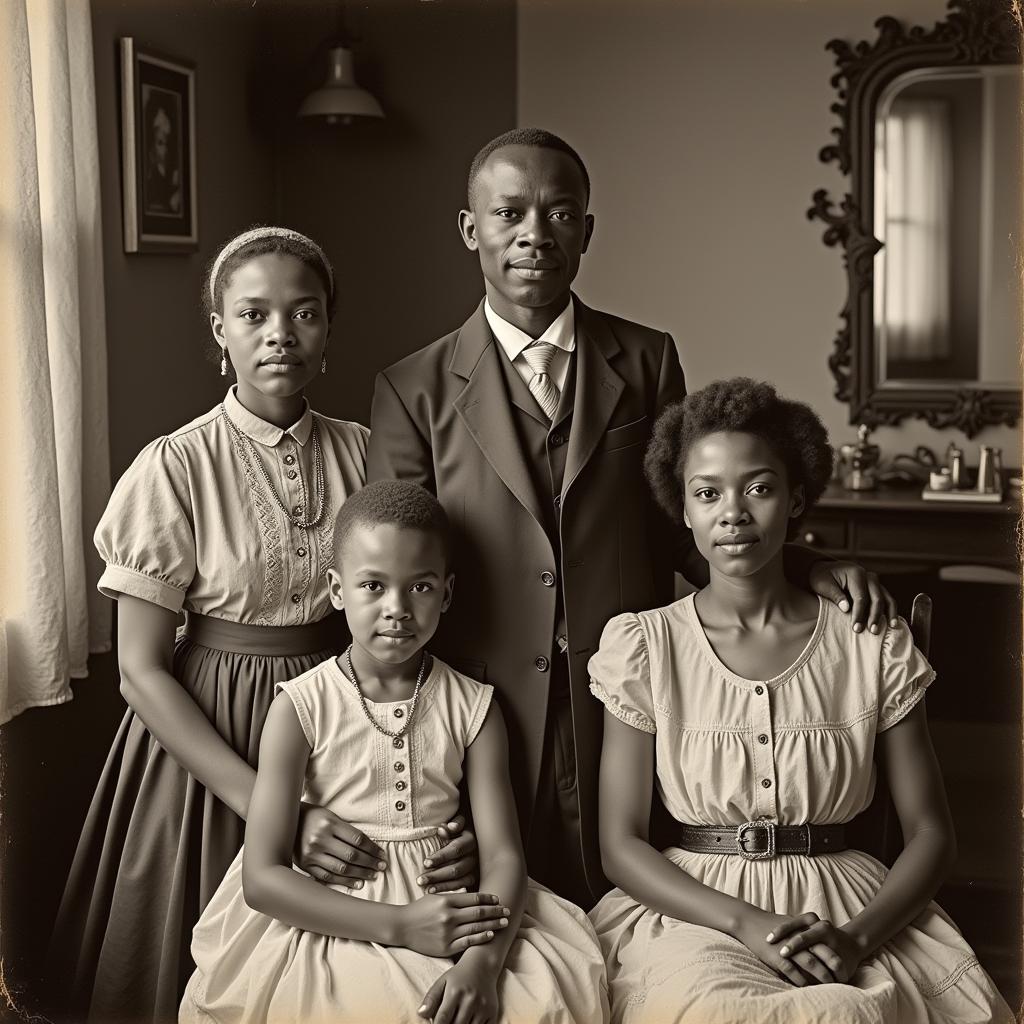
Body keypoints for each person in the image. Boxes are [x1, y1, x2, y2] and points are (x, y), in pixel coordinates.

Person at [366, 127, 899, 908]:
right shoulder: (411, 387)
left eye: (558, 212)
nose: (533, 234)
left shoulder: (647, 359)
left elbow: (685, 522)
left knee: (623, 921)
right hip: (481, 704)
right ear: (470, 228)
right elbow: (402, 584)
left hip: (629, 700)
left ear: (586, 227)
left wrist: (812, 566)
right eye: (509, 213)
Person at [48, 227, 475, 1024]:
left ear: (327, 326)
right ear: (220, 329)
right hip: (211, 736)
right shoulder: (173, 467)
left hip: (351, 720)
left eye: (303, 313)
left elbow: (404, 616)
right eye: (253, 315)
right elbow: (141, 671)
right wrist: (272, 810)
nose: (280, 334)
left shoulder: (368, 454)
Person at [588, 378, 1012, 1023]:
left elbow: (930, 832)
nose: (733, 512)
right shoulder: (645, 645)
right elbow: (621, 842)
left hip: (846, 907)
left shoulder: (869, 643)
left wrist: (857, 939)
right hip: (698, 907)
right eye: (707, 494)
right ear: (683, 510)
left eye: (759, 487)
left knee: (846, 1014)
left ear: (796, 498)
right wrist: (746, 922)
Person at [180, 480, 609, 1024]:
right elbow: (263, 878)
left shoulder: (474, 708)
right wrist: (401, 924)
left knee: (535, 1002)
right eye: (373, 586)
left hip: (458, 912)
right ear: (337, 590)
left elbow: (503, 857)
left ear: (447, 594)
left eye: (421, 587)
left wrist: (481, 964)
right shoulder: (299, 708)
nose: (398, 609)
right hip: (333, 918)